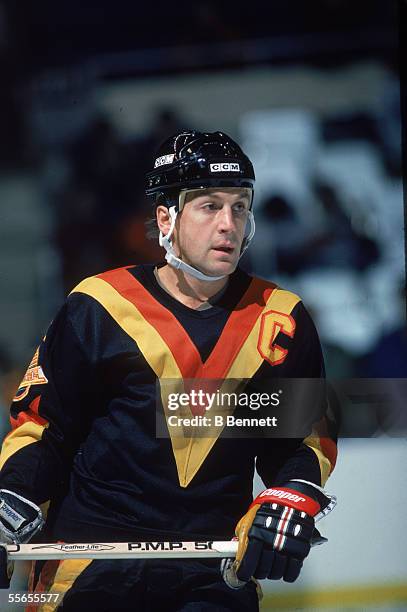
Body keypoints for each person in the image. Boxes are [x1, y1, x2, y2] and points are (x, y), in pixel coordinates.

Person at [0, 131, 337, 611]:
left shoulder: (280, 319)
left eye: (240, 206)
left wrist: (290, 494)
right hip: (88, 567)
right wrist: (8, 503)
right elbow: (43, 429)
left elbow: (299, 441)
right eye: (208, 205)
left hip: (214, 570)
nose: (228, 225)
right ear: (166, 218)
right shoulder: (99, 305)